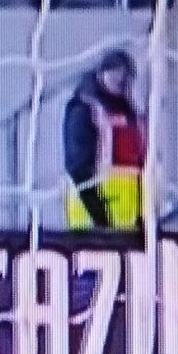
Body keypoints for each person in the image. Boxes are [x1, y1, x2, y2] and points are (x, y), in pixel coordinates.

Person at [62, 46, 144, 231]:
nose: (121, 81)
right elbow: (78, 168)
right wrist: (101, 219)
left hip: (127, 222)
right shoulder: (84, 109)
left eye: (125, 77)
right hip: (92, 222)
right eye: (115, 75)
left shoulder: (129, 114)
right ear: (101, 74)